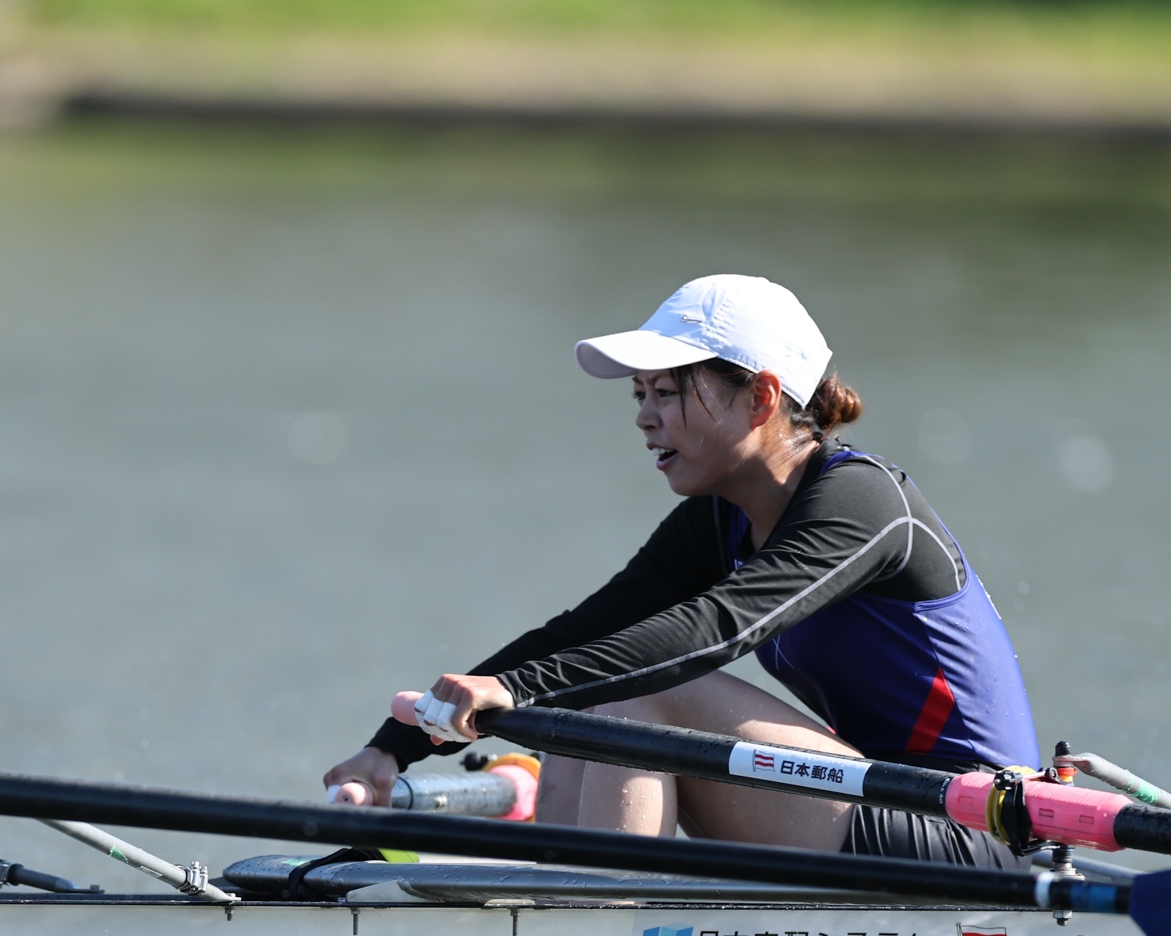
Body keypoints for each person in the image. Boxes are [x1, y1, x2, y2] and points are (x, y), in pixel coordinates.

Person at [323, 273, 1036, 864]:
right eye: (641, 395)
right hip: (871, 804)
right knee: (589, 688)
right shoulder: (720, 518)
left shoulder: (863, 501)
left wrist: (515, 690)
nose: (644, 417)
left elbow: (719, 630)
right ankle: (552, 927)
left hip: (973, 828)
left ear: (761, 397)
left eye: (667, 392)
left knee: (638, 692)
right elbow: (581, 637)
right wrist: (392, 750)